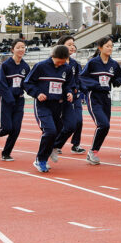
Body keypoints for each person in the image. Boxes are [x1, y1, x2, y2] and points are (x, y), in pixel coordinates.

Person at [24, 45, 73, 173]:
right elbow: (27, 82)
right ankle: (40, 159)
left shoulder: (66, 68)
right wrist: (37, 93)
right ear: (53, 56)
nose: (60, 64)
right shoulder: (40, 66)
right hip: (43, 104)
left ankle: (44, 157)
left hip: (58, 105)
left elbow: (68, 84)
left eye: (63, 61)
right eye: (58, 61)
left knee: (56, 131)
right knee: (50, 131)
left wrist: (69, 93)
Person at [80, 36, 121, 165]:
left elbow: (120, 77)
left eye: (111, 46)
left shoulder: (114, 64)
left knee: (106, 126)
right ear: (100, 48)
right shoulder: (93, 63)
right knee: (103, 124)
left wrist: (117, 81)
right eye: (107, 46)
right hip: (94, 96)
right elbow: (82, 77)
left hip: (106, 97)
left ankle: (94, 151)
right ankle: (93, 152)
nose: (110, 48)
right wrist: (95, 85)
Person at [0, 40, 29, 161]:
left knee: (16, 129)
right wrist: (9, 98)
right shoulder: (6, 65)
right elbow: (1, 83)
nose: (21, 49)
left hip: (19, 101)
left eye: (23, 47)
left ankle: (6, 153)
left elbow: (27, 84)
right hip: (6, 100)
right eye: (18, 47)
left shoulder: (25, 67)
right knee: (6, 128)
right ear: (12, 49)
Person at [52, 35, 85, 155]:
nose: (72, 47)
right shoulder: (53, 62)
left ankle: (75, 144)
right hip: (59, 97)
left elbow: (77, 80)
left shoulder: (75, 64)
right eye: (69, 44)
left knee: (79, 121)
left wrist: (77, 89)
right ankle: (56, 144)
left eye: (73, 44)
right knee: (61, 123)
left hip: (74, 96)